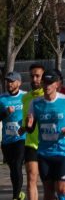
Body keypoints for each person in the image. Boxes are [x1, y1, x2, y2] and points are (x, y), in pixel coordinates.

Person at [24, 70, 65, 200]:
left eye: (50, 83)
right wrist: (28, 125)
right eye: (45, 83)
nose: (46, 86)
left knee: (61, 190)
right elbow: (30, 129)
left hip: (63, 152)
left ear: (57, 84)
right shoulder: (36, 103)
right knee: (48, 192)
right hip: (44, 153)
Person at [1, 71, 26, 200]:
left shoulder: (25, 97)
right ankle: (19, 192)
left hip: (21, 138)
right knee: (12, 169)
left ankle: (16, 197)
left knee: (17, 165)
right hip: (6, 140)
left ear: (19, 83)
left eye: (11, 81)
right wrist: (5, 113)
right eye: (7, 81)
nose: (9, 84)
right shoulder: (2, 98)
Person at [22, 63, 45, 200]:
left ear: (43, 78)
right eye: (32, 76)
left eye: (37, 76)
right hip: (31, 143)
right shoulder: (25, 98)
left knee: (49, 182)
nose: (34, 79)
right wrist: (23, 127)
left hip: (48, 144)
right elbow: (27, 121)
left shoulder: (48, 95)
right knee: (31, 178)